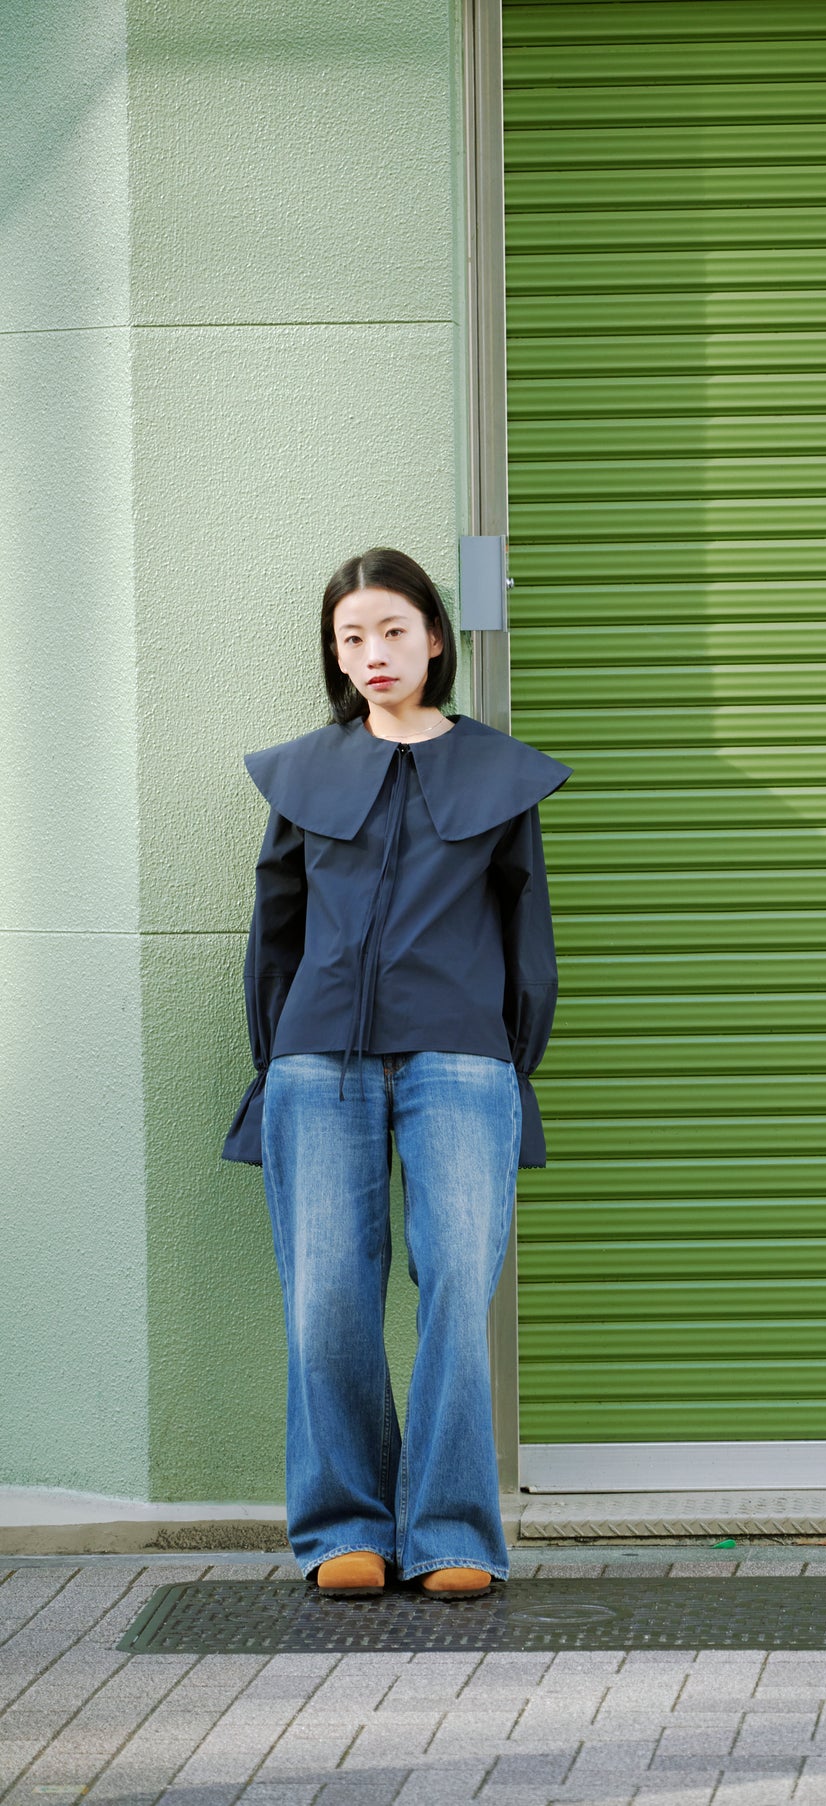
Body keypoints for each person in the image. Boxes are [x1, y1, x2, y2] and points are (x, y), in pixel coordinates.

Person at [222, 546, 570, 1597]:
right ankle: (343, 1531)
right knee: (326, 1295)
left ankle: (455, 1530)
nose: (372, 654)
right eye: (350, 637)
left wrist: (510, 1067)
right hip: (314, 1061)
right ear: (334, 653)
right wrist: (275, 1061)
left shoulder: (499, 774)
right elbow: (272, 936)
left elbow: (529, 945)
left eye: (390, 630)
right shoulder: (301, 774)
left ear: (433, 637)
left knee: (458, 1285)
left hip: (460, 1060)